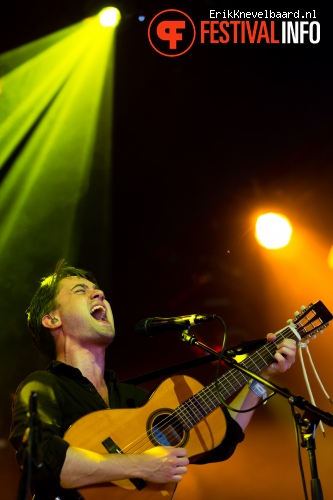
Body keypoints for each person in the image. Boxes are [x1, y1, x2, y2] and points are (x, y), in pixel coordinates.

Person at [9, 260, 297, 499]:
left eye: (99, 291)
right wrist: (140, 465)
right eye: (81, 291)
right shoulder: (42, 387)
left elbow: (220, 441)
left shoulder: (132, 399)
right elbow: (42, 461)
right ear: (52, 320)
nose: (99, 295)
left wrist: (260, 378)